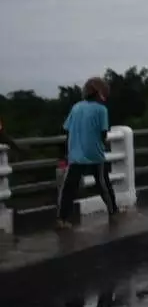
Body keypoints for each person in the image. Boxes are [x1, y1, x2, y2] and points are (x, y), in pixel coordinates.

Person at [57, 77, 117, 228]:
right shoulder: (102, 110)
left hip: (75, 154)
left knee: (69, 187)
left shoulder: (76, 107)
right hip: (94, 153)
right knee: (103, 184)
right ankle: (113, 211)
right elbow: (103, 133)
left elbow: (68, 131)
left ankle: (62, 219)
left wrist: (67, 152)